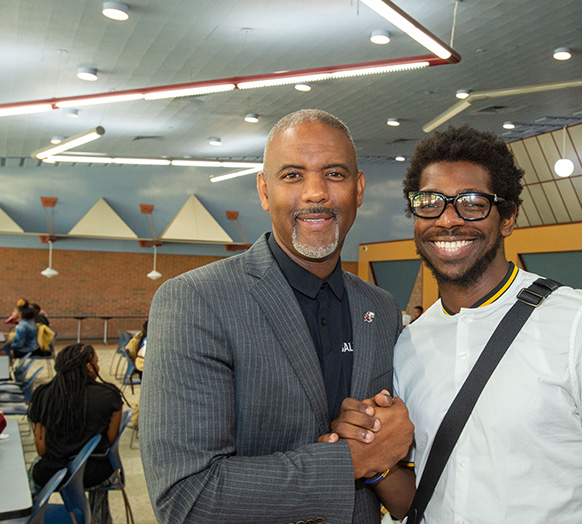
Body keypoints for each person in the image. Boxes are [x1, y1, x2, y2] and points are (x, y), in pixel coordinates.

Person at [351, 124, 582, 522]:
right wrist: (370, 454)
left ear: (507, 218)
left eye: (472, 202)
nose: (448, 220)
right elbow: (412, 502)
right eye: (430, 201)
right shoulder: (409, 345)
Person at [140, 109, 414, 524]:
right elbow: (186, 499)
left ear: (358, 189)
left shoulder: (382, 308)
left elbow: (389, 456)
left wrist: (380, 452)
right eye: (292, 175)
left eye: (334, 174)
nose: (315, 193)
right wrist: (349, 461)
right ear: (264, 191)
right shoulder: (195, 300)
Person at [27, 343, 124, 524]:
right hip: (94, 472)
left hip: (54, 473)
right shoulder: (110, 395)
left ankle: (32, 515)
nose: (98, 366)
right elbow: (110, 440)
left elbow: (41, 449)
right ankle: (100, 519)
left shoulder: (43, 395)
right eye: (97, 362)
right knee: (104, 473)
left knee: (32, 474)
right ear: (89, 367)